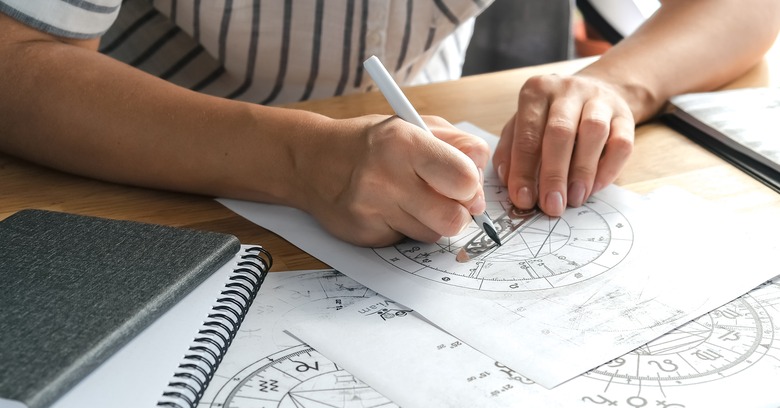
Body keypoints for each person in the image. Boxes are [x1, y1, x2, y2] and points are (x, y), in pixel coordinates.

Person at [0, 1, 778, 247]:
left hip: (429, 127)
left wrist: (615, 81)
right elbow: (16, 59)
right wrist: (298, 159)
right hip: (146, 149)